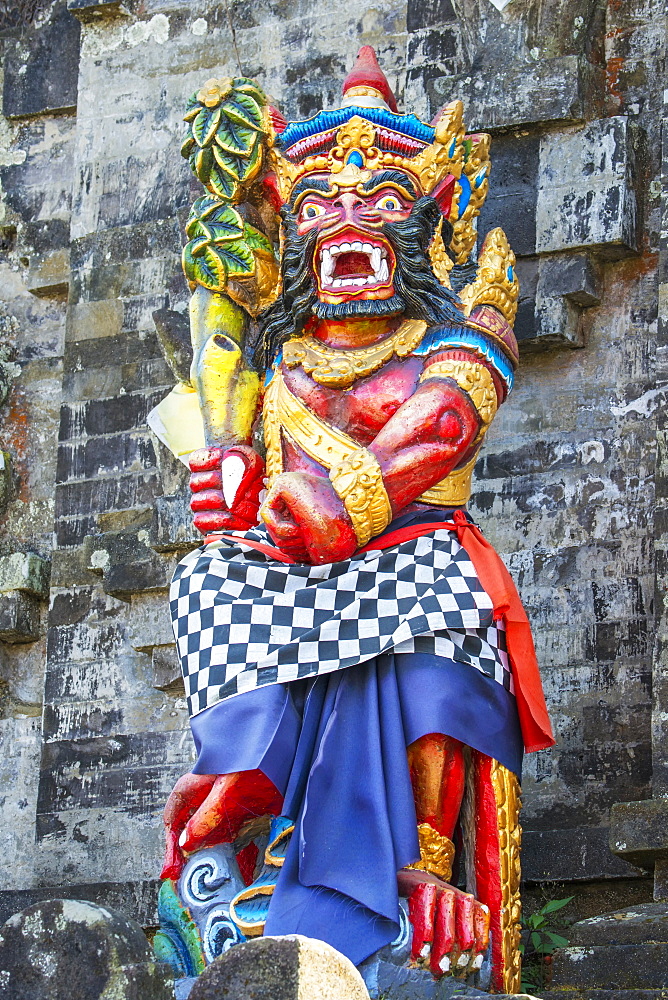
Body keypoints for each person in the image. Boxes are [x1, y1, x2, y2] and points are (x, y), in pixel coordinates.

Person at [156, 47, 554, 991]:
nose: (347, 220)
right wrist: (224, 488)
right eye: (319, 206)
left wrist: (344, 505)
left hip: (413, 551)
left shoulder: (459, 329)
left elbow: (444, 427)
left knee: (442, 615)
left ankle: (418, 862)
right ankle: (237, 810)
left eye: (378, 200)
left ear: (422, 220)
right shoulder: (271, 360)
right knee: (208, 581)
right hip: (291, 571)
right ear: (289, 237)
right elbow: (238, 484)